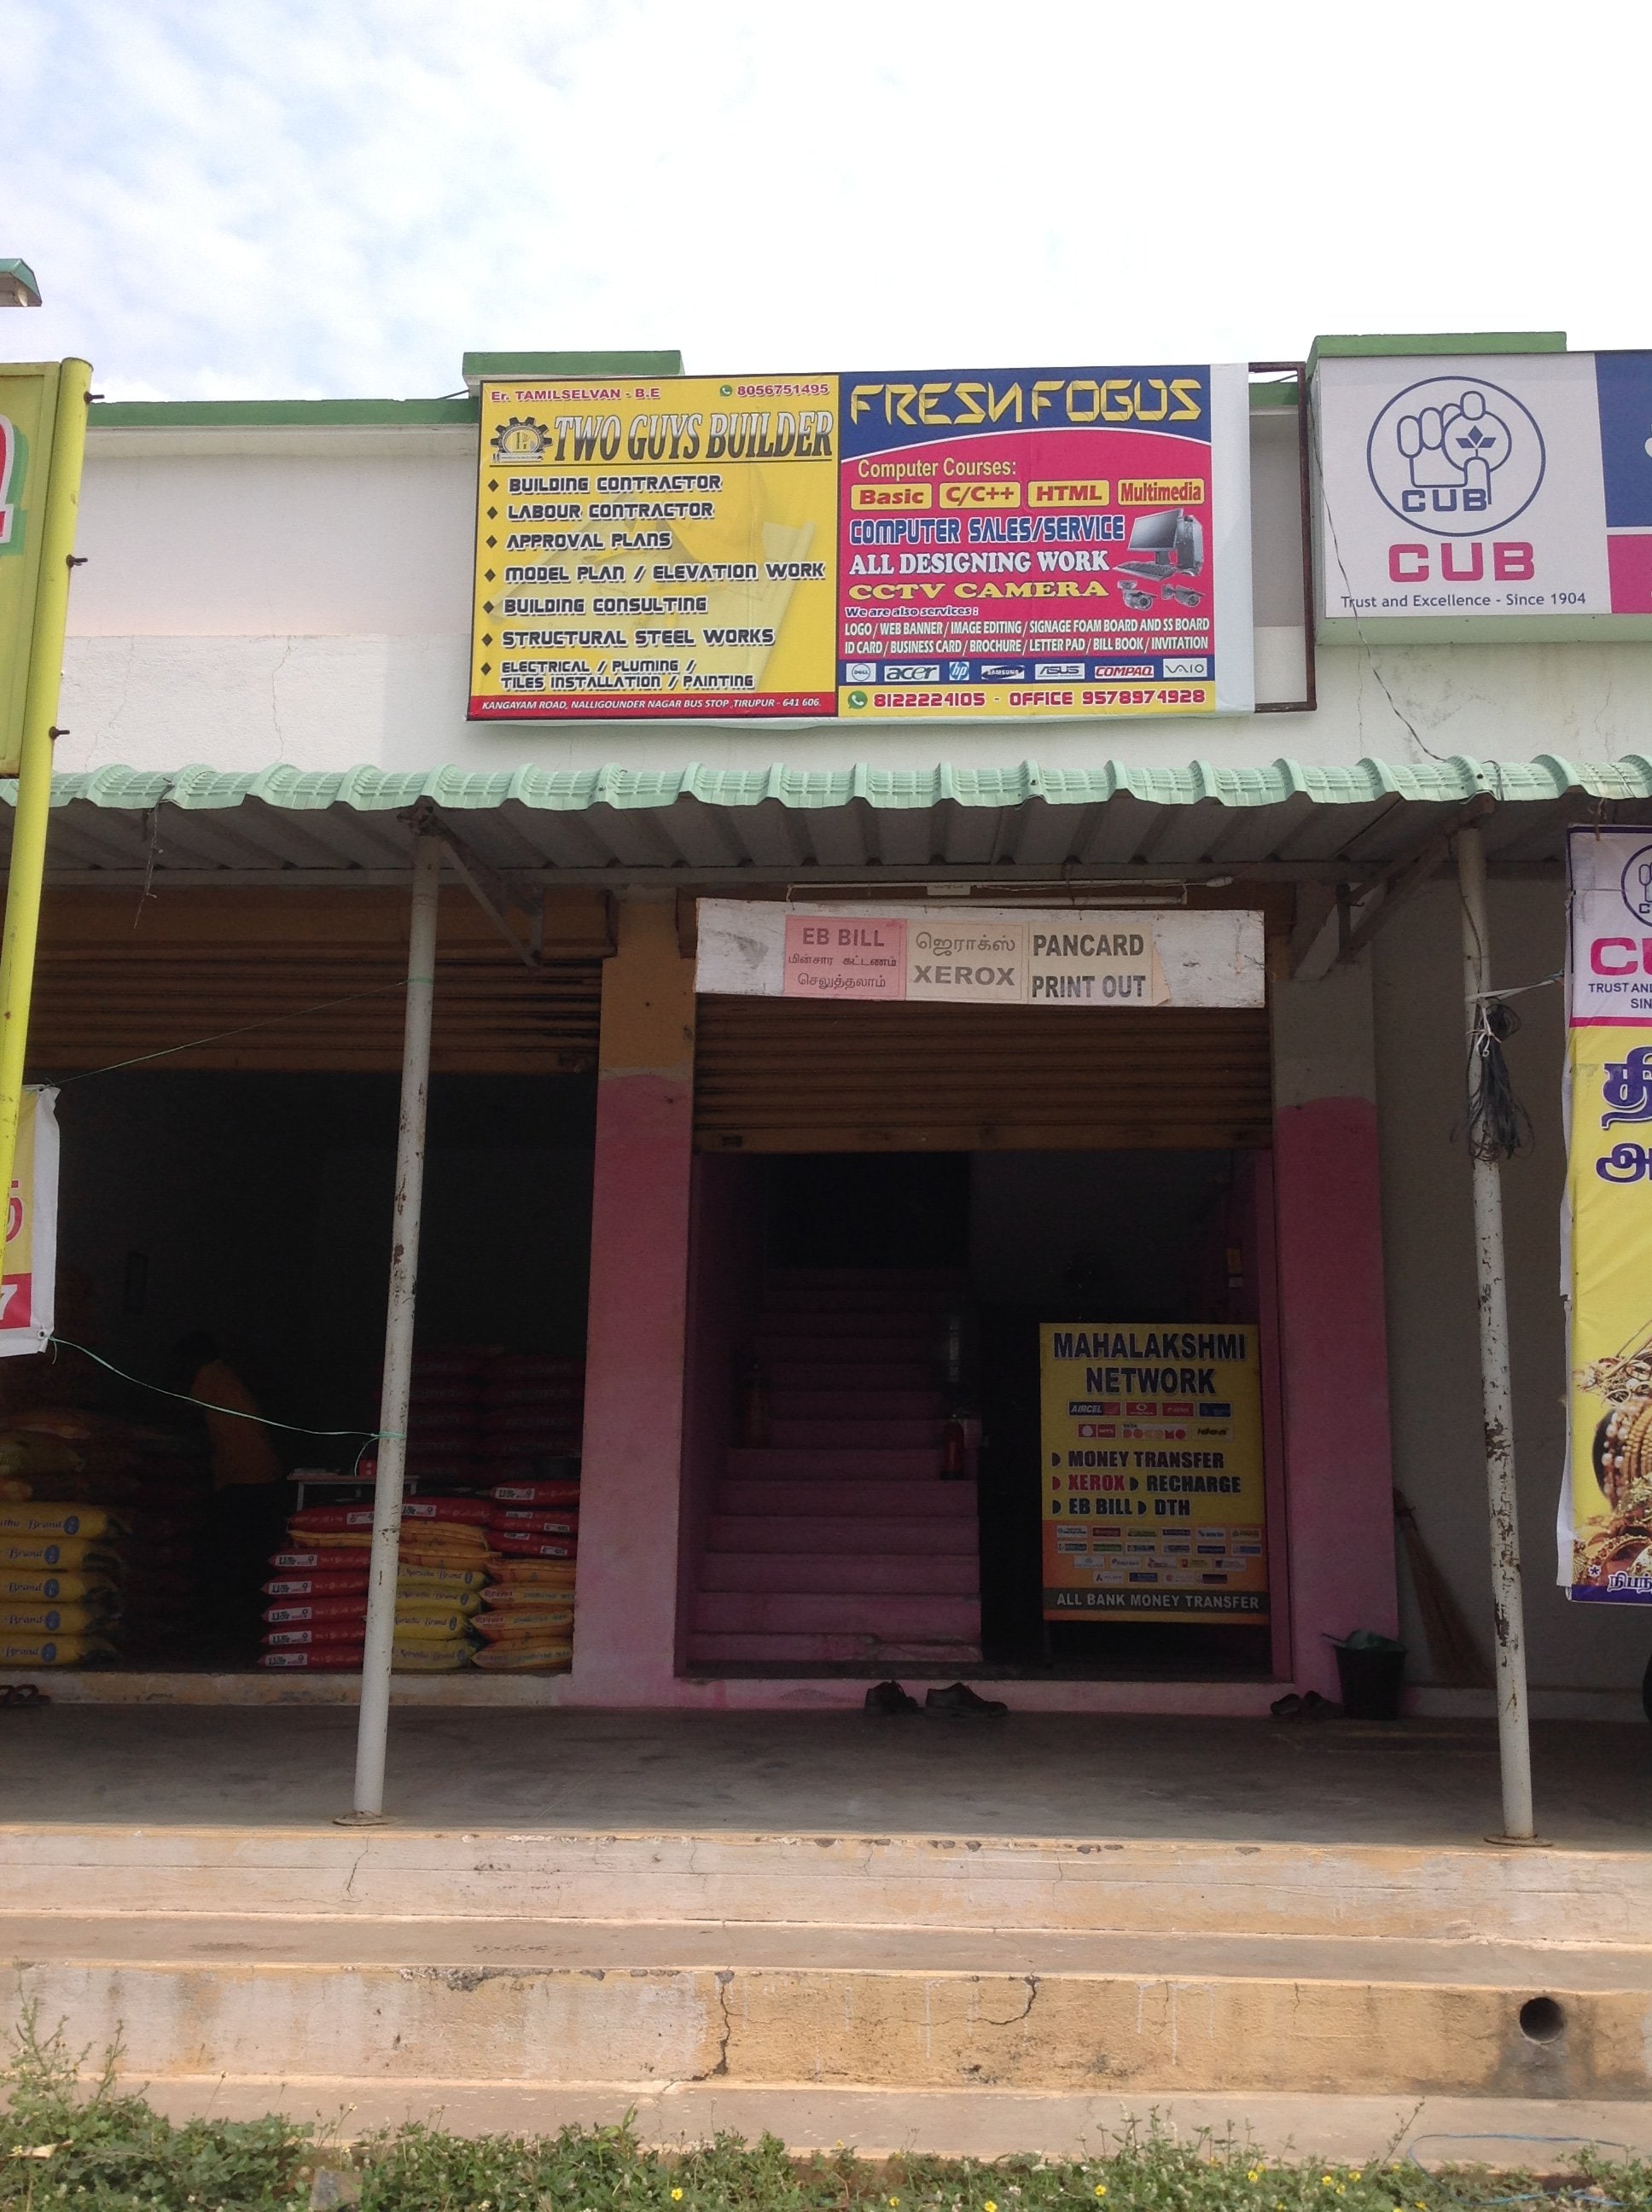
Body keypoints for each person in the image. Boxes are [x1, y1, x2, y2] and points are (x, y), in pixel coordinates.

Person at [172, 1333, 287, 1660]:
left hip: (244, 1475)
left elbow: (188, 1418)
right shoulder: (227, 1377)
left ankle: (237, 1616)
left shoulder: (210, 1376)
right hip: (259, 1472)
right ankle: (251, 1613)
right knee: (252, 1546)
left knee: (233, 1548)